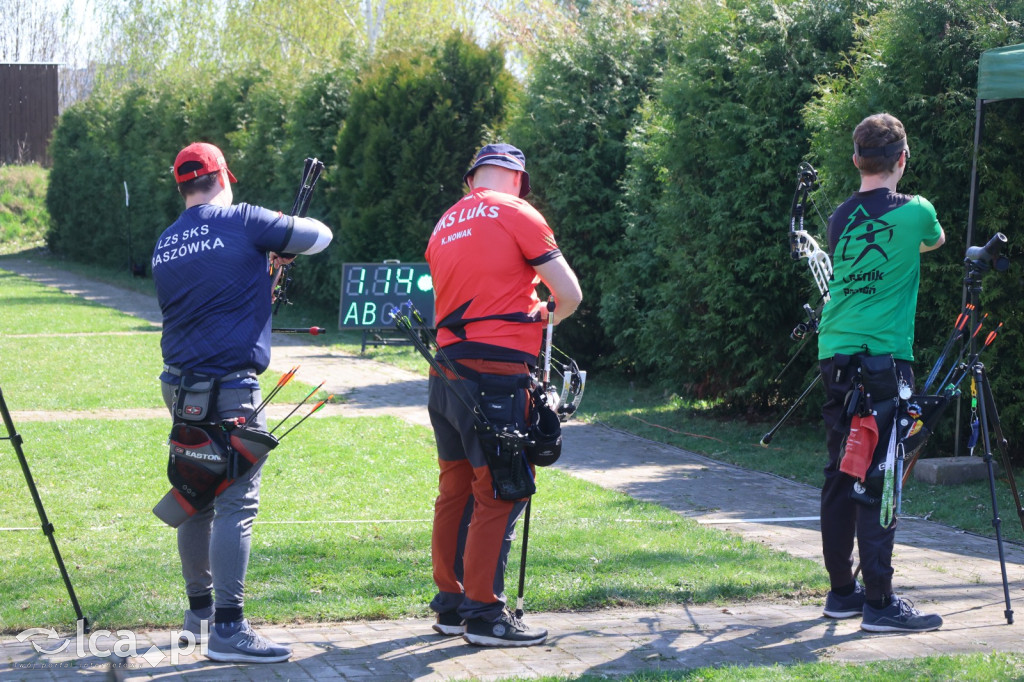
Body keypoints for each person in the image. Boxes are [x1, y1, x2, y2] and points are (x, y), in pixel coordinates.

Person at [153, 141, 332, 663]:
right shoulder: (245, 220)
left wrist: (264, 258)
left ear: (182, 185)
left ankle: (200, 616)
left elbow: (219, 278)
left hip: (179, 385)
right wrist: (278, 246)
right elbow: (320, 235)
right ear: (223, 177)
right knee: (235, 501)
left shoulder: (166, 241)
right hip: (230, 388)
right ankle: (229, 630)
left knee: (195, 489)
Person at [424, 143, 582, 647]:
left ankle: (452, 606)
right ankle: (485, 614)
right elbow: (569, 295)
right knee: (500, 490)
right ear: (517, 180)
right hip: (495, 374)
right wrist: (544, 315)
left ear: (472, 180)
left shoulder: (445, 223)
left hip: (446, 372)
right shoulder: (518, 212)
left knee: (455, 488)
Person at [816, 114, 945, 633]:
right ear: (902, 159)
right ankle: (880, 602)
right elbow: (932, 241)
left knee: (840, 472)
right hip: (883, 361)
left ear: (856, 160)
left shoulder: (839, 217)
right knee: (880, 473)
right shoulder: (917, 211)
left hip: (835, 354)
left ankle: (841, 594)